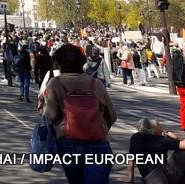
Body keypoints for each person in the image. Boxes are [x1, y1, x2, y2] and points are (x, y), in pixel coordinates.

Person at [39, 43, 117, 184]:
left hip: (69, 142)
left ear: (59, 63)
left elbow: (51, 115)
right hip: (98, 141)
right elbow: (111, 115)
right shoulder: (96, 84)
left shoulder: (55, 83)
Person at [124, 118, 185, 184]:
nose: (162, 130)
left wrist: (130, 178)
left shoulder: (135, 137)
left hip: (148, 177)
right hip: (161, 176)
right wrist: (175, 138)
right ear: (153, 129)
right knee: (182, 153)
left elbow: (131, 158)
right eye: (160, 127)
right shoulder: (159, 140)